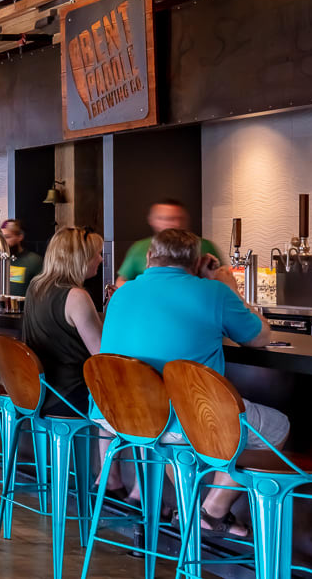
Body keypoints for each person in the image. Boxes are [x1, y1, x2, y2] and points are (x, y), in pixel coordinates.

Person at [101, 228, 282, 537]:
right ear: (197, 262)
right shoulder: (213, 293)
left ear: (149, 257)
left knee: (172, 441)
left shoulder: (122, 293)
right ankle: (212, 510)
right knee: (277, 427)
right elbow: (260, 337)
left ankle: (190, 509)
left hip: (120, 418)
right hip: (183, 420)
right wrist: (228, 286)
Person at [21, 227, 105, 416]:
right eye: (96, 254)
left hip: (39, 391)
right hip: (71, 395)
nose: (101, 259)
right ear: (80, 259)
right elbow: (101, 354)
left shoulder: (35, 286)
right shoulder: (76, 296)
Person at [115, 199, 235, 290]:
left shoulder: (204, 245)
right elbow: (122, 280)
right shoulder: (139, 248)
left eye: (178, 218)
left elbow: (223, 276)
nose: (174, 223)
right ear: (152, 220)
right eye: (166, 218)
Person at [0, 219, 43, 299]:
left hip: (23, 310)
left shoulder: (34, 261)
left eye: (7, 237)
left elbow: (40, 294)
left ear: (20, 237)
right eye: (1, 238)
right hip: (0, 308)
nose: (3, 242)